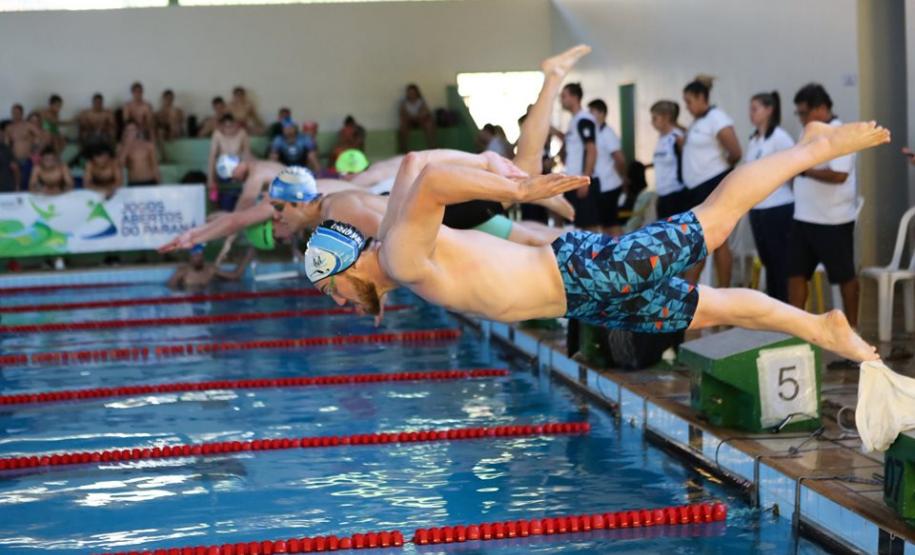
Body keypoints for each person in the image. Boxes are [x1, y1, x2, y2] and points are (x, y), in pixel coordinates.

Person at [305, 109, 889, 365]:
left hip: (577, 274)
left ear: (346, 264)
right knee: (704, 307)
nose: (337, 301)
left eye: (331, 288)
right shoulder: (391, 235)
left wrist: (519, 189)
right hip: (582, 293)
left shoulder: (402, 259)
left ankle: (815, 145)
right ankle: (818, 327)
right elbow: (413, 165)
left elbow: (431, 181)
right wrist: (493, 170)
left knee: (713, 222)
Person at [789, 84, 862, 349]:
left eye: (805, 112)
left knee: (845, 278)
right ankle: (796, 337)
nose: (802, 118)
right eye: (799, 114)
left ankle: (852, 336)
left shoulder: (841, 133)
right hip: (803, 217)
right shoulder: (807, 132)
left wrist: (806, 171)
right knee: (795, 275)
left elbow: (839, 175)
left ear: (822, 109)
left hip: (833, 220)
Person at [681, 75, 742, 287]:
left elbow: (735, 151)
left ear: (700, 97)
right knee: (701, 241)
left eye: (689, 101)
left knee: (718, 241)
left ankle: (723, 294)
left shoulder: (717, 118)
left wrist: (716, 169)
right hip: (697, 188)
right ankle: (689, 294)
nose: (687, 107)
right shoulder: (699, 121)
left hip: (712, 184)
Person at [745, 91, 795, 303]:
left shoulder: (780, 137)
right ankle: (774, 309)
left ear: (769, 110)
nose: (751, 113)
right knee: (767, 261)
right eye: (750, 108)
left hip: (778, 207)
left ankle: (784, 309)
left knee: (779, 261)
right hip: (758, 208)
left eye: (755, 108)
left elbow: (793, 167)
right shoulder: (754, 140)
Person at [560, 82, 600, 231]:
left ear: (575, 97)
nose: (561, 100)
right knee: (573, 225)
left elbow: (591, 149)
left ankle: (595, 254)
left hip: (582, 181)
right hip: (572, 179)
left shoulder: (584, 119)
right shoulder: (574, 120)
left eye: (564, 96)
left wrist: (585, 179)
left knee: (589, 226)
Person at [587, 99, 627, 235]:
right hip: (601, 185)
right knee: (604, 224)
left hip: (610, 185)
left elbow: (620, 159)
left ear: (602, 113)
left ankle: (623, 251)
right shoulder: (595, 133)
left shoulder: (607, 133)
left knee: (611, 224)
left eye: (592, 112)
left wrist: (622, 177)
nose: (589, 116)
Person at [650, 101, 688, 221]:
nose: (652, 122)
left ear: (666, 117)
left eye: (655, 118)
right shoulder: (661, 138)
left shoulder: (677, 137)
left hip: (676, 193)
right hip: (662, 193)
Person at [167, 244, 254, 290]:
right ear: (190, 257)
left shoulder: (210, 269)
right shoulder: (182, 272)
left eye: (200, 256)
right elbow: (170, 287)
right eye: (195, 256)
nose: (198, 258)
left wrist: (247, 257)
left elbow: (235, 275)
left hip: (208, 296)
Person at [207, 114, 251, 205]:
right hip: (222, 170)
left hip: (239, 169)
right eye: (226, 127)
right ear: (222, 127)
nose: (229, 129)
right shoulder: (217, 134)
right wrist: (210, 179)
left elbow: (247, 155)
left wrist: (249, 176)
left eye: (231, 126)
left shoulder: (242, 133)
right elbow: (212, 156)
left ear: (236, 125)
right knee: (222, 197)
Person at [5, 104, 43, 189]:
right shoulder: (9, 128)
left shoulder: (28, 125)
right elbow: (6, 145)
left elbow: (40, 136)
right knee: (17, 182)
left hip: (27, 158)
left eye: (17, 113)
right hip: (14, 158)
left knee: (28, 181)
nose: (15, 114)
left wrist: (36, 151)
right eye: (13, 112)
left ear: (22, 113)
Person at [118, 120, 161, 185]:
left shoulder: (148, 145)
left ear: (137, 131)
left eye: (133, 130)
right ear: (124, 132)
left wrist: (159, 183)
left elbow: (154, 166)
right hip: (133, 182)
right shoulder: (121, 147)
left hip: (150, 180)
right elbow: (120, 165)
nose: (131, 133)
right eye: (128, 130)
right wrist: (127, 145)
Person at [398, 84, 435, 153]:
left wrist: (419, 116)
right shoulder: (404, 103)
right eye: (409, 92)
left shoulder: (421, 101)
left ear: (417, 93)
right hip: (409, 121)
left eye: (413, 92)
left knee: (429, 124)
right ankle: (403, 148)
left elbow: (426, 112)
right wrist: (410, 117)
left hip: (420, 120)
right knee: (403, 126)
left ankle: (432, 146)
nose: (411, 94)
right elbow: (403, 114)